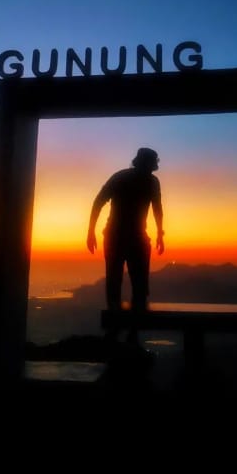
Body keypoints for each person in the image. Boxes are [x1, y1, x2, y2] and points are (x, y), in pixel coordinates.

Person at [87, 147, 164, 344]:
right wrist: (160, 235)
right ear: (149, 163)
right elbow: (157, 210)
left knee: (118, 282)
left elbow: (98, 202)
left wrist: (91, 231)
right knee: (138, 284)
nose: (156, 164)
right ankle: (130, 334)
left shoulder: (122, 177)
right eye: (154, 161)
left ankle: (119, 332)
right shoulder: (150, 182)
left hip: (118, 237)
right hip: (131, 238)